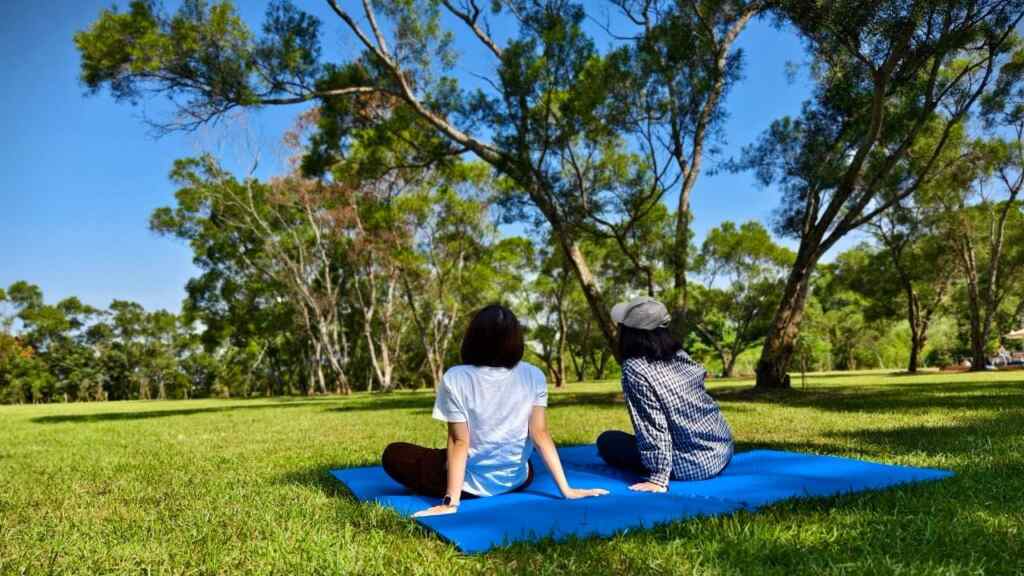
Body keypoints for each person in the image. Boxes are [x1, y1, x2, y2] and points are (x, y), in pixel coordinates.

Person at [381, 304, 608, 517]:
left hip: (472, 486)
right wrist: (566, 489)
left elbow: (460, 442)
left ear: (473, 339)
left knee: (394, 453)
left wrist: (451, 502)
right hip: (518, 479)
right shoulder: (534, 375)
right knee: (516, 461)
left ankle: (456, 487)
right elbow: (539, 434)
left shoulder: (456, 378)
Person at [596, 296, 734, 492]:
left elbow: (653, 425)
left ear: (629, 332)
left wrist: (659, 478)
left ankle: (661, 468)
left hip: (693, 465)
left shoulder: (635, 368)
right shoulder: (679, 355)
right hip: (723, 452)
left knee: (607, 441)